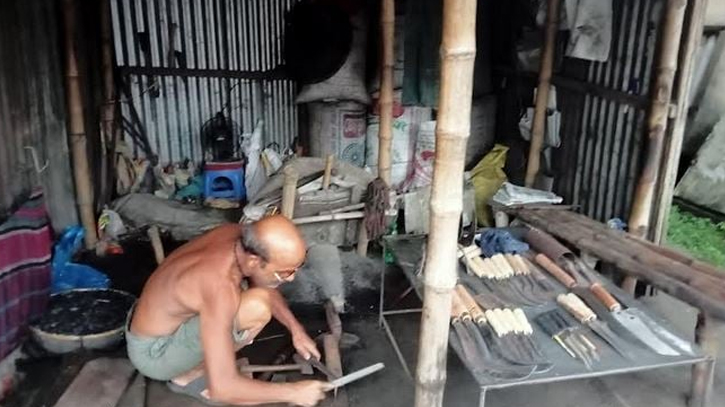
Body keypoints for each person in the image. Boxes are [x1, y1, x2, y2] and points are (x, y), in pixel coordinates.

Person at [126, 215, 330, 406]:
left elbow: (265, 286)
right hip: (155, 354)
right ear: (254, 261)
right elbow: (223, 388)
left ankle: (202, 364)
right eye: (284, 273)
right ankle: (188, 376)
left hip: (155, 321)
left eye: (296, 268)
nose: (292, 278)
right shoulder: (219, 287)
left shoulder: (238, 236)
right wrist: (295, 392)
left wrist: (296, 330)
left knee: (255, 295)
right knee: (256, 307)